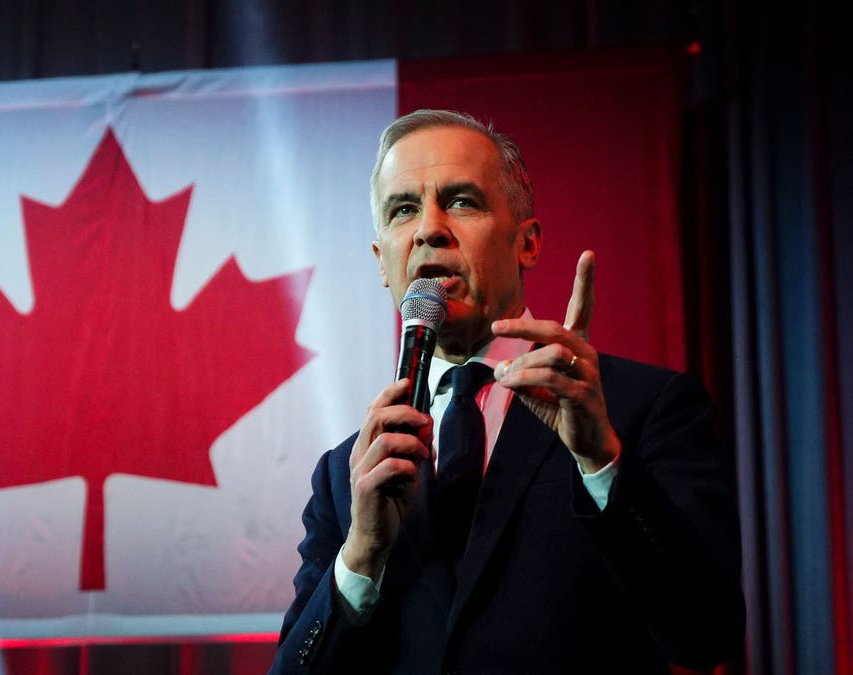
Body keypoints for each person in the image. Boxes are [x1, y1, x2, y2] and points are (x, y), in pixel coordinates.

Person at [269, 110, 745, 674]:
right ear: (383, 264)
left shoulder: (640, 408)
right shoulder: (348, 473)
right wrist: (362, 554)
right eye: (403, 210)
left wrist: (601, 462)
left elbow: (707, 634)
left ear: (528, 243)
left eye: (462, 201)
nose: (429, 228)